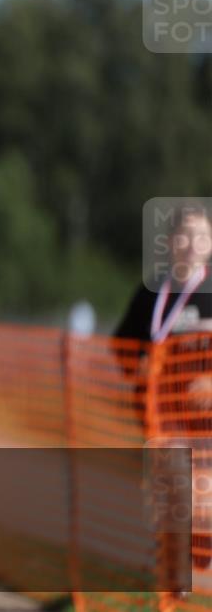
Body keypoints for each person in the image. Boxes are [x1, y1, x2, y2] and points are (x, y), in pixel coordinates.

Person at [113, 203, 212, 588]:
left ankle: (191, 562)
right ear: (170, 242)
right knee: (174, 494)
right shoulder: (153, 292)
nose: (192, 244)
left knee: (200, 502)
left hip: (206, 424)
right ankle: (174, 587)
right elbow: (122, 344)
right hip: (163, 418)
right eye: (185, 235)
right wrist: (137, 372)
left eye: (201, 236)